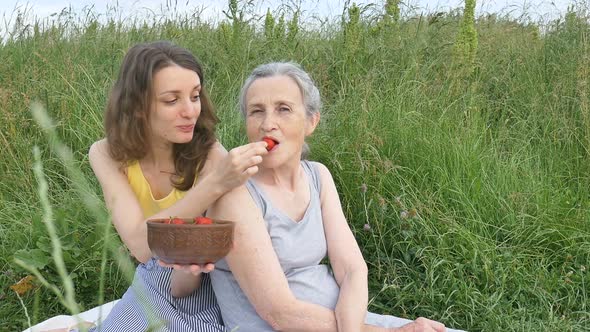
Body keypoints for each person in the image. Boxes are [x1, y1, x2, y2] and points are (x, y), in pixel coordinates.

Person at [172, 62, 466, 332]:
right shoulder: (234, 195)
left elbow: (351, 269)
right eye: (256, 111)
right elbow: (279, 313)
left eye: (283, 109)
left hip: (341, 321)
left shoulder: (317, 176)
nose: (267, 124)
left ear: (311, 122)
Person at [80, 41, 268, 331]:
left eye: (195, 96)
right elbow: (143, 248)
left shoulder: (211, 154)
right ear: (138, 106)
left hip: (204, 279)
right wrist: (215, 184)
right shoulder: (106, 153)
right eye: (171, 100)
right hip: (155, 273)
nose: (190, 111)